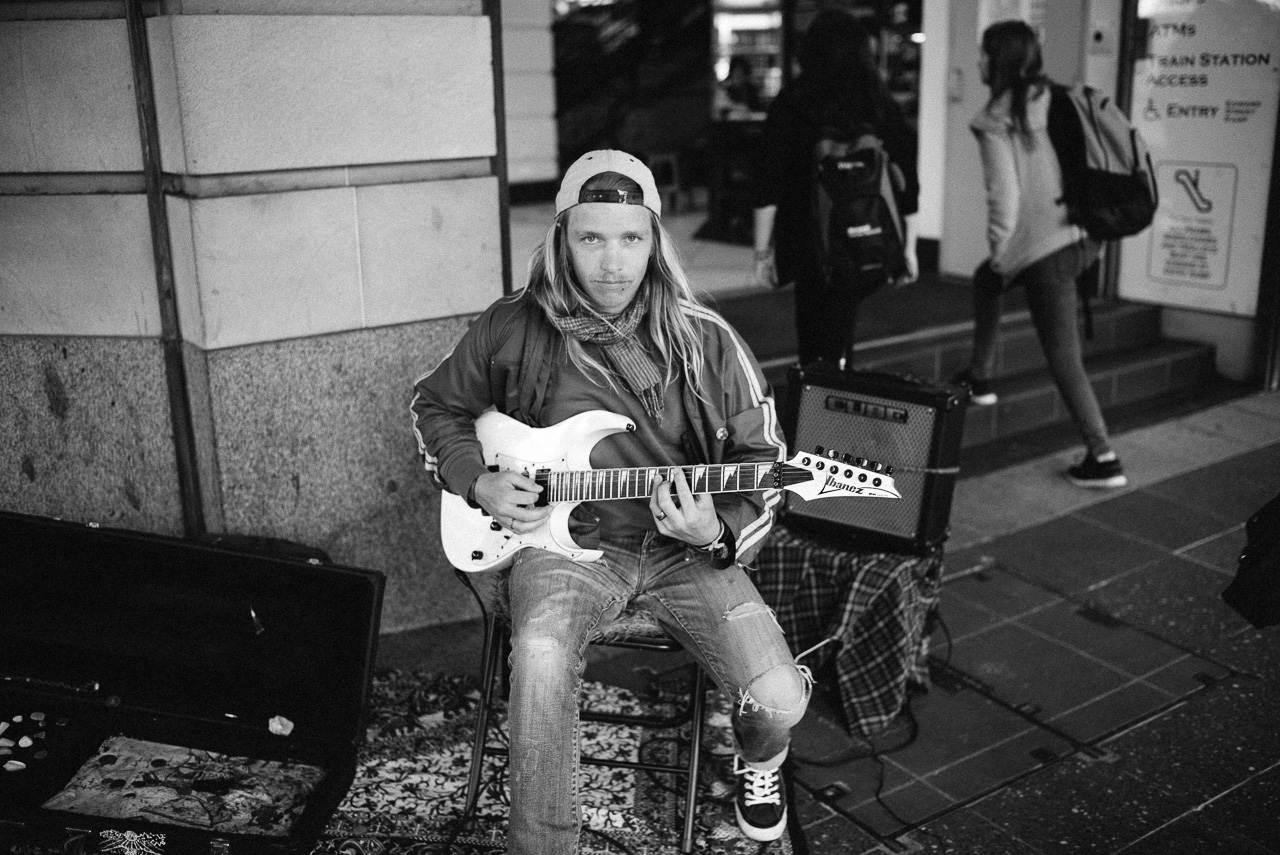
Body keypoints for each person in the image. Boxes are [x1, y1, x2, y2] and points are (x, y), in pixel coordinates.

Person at [410, 150, 812, 853]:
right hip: (566, 549)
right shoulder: (513, 325)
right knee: (536, 652)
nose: (612, 262)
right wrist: (479, 481)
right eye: (591, 237)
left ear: (655, 240)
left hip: (687, 554)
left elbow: (762, 462)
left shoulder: (706, 339)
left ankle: (762, 760)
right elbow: (435, 405)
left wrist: (715, 527)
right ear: (562, 237)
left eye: (631, 237)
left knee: (779, 695)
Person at [956, 19, 1126, 488]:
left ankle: (1104, 456)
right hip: (1087, 236)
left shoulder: (996, 118)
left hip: (1045, 250)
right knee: (986, 281)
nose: (978, 62)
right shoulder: (1060, 98)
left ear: (1001, 60)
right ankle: (981, 378)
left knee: (1062, 356)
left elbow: (1003, 199)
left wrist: (1001, 251)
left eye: (984, 53)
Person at [751, 9, 920, 368]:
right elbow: (908, 180)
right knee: (842, 323)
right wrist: (910, 247)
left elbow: (767, 183)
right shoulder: (879, 102)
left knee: (813, 331)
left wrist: (763, 252)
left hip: (810, 240)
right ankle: (837, 385)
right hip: (869, 235)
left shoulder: (793, 101)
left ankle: (820, 402)